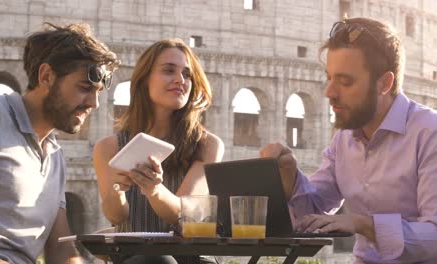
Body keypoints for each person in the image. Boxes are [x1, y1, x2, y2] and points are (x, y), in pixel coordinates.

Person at [260, 17, 437, 263]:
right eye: (329, 78)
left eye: (345, 82)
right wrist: (290, 176)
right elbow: (316, 211)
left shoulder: (430, 133)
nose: (329, 92)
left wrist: (363, 224)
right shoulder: (344, 138)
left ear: (385, 83)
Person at [0, 23, 119, 264]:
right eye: (84, 88)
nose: (94, 103)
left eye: (98, 92)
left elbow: (61, 249)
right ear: (46, 76)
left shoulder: (55, 156)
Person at [93, 38, 224, 264]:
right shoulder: (108, 147)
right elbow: (116, 216)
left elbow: (184, 214)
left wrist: (153, 189)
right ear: (144, 81)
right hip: (135, 258)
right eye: (168, 71)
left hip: (189, 257)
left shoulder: (207, 144)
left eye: (187, 74)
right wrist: (117, 189)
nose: (180, 80)